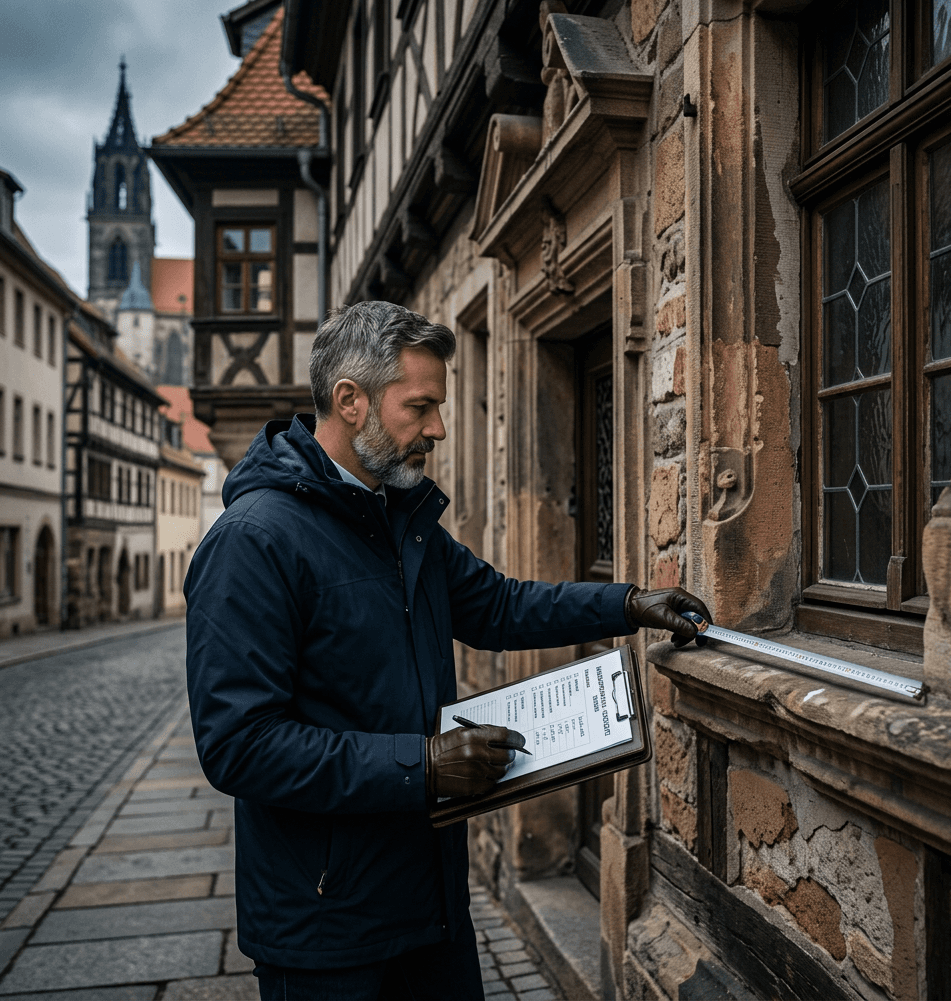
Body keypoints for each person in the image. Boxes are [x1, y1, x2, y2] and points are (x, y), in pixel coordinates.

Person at [184, 301, 712, 1001]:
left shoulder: (400, 520)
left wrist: (625, 604)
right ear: (351, 401)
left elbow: (498, 605)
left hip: (430, 901)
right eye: (421, 406)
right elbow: (240, 745)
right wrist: (424, 764)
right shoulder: (254, 541)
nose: (438, 428)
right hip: (323, 926)